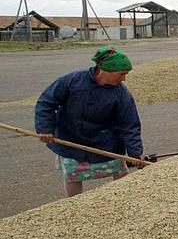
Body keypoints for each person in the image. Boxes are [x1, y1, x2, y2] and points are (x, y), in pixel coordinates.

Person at [34, 46, 145, 197]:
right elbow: (46, 102)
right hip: (71, 137)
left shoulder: (121, 93)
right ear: (105, 70)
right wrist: (45, 128)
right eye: (121, 74)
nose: (124, 78)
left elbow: (129, 125)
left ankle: (120, 200)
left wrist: (135, 153)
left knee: (119, 171)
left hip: (106, 142)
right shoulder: (73, 80)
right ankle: (74, 204)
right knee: (73, 176)